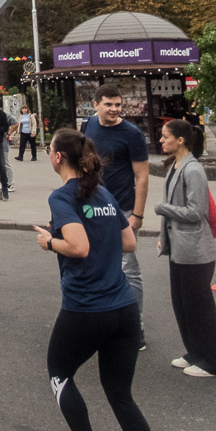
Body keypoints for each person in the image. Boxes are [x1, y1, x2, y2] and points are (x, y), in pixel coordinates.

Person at [33, 129, 152, 431]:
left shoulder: (61, 197)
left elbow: (79, 246)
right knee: (120, 395)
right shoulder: (103, 192)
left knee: (59, 373)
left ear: (58, 157)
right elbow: (128, 243)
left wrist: (50, 241)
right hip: (124, 309)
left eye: (50, 149)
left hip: (86, 309)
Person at [155, 119, 216, 378]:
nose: (161, 140)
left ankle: (213, 362)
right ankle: (195, 352)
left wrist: (163, 208)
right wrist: (164, 237)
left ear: (181, 140)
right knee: (182, 305)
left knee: (199, 309)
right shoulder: (175, 165)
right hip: (180, 249)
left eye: (165, 137)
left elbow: (197, 212)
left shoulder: (193, 170)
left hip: (196, 252)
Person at [81, 83, 150, 350]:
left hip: (122, 209)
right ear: (96, 104)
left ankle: (136, 326)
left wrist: (138, 214)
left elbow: (142, 176)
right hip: (92, 207)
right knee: (93, 264)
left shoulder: (131, 134)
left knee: (128, 268)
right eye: (109, 104)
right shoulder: (88, 126)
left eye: (118, 104)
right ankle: (101, 320)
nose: (114, 109)